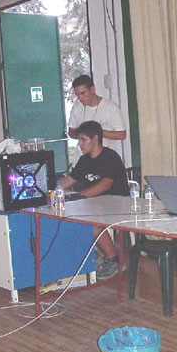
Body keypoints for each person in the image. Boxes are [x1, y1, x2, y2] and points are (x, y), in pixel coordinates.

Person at [59, 121, 129, 280]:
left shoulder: (110, 157)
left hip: (118, 203)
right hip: (96, 204)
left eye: (83, 140)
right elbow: (69, 180)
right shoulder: (84, 160)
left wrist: (80, 196)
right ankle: (97, 256)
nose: (79, 144)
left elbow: (105, 184)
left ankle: (114, 260)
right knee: (70, 218)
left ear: (95, 139)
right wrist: (49, 189)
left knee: (90, 222)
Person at [68, 75, 127, 166]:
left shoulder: (110, 107)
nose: (80, 98)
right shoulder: (77, 107)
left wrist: (96, 133)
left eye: (83, 93)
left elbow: (122, 134)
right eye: (77, 95)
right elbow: (71, 132)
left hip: (105, 162)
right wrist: (81, 134)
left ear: (92, 90)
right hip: (81, 161)